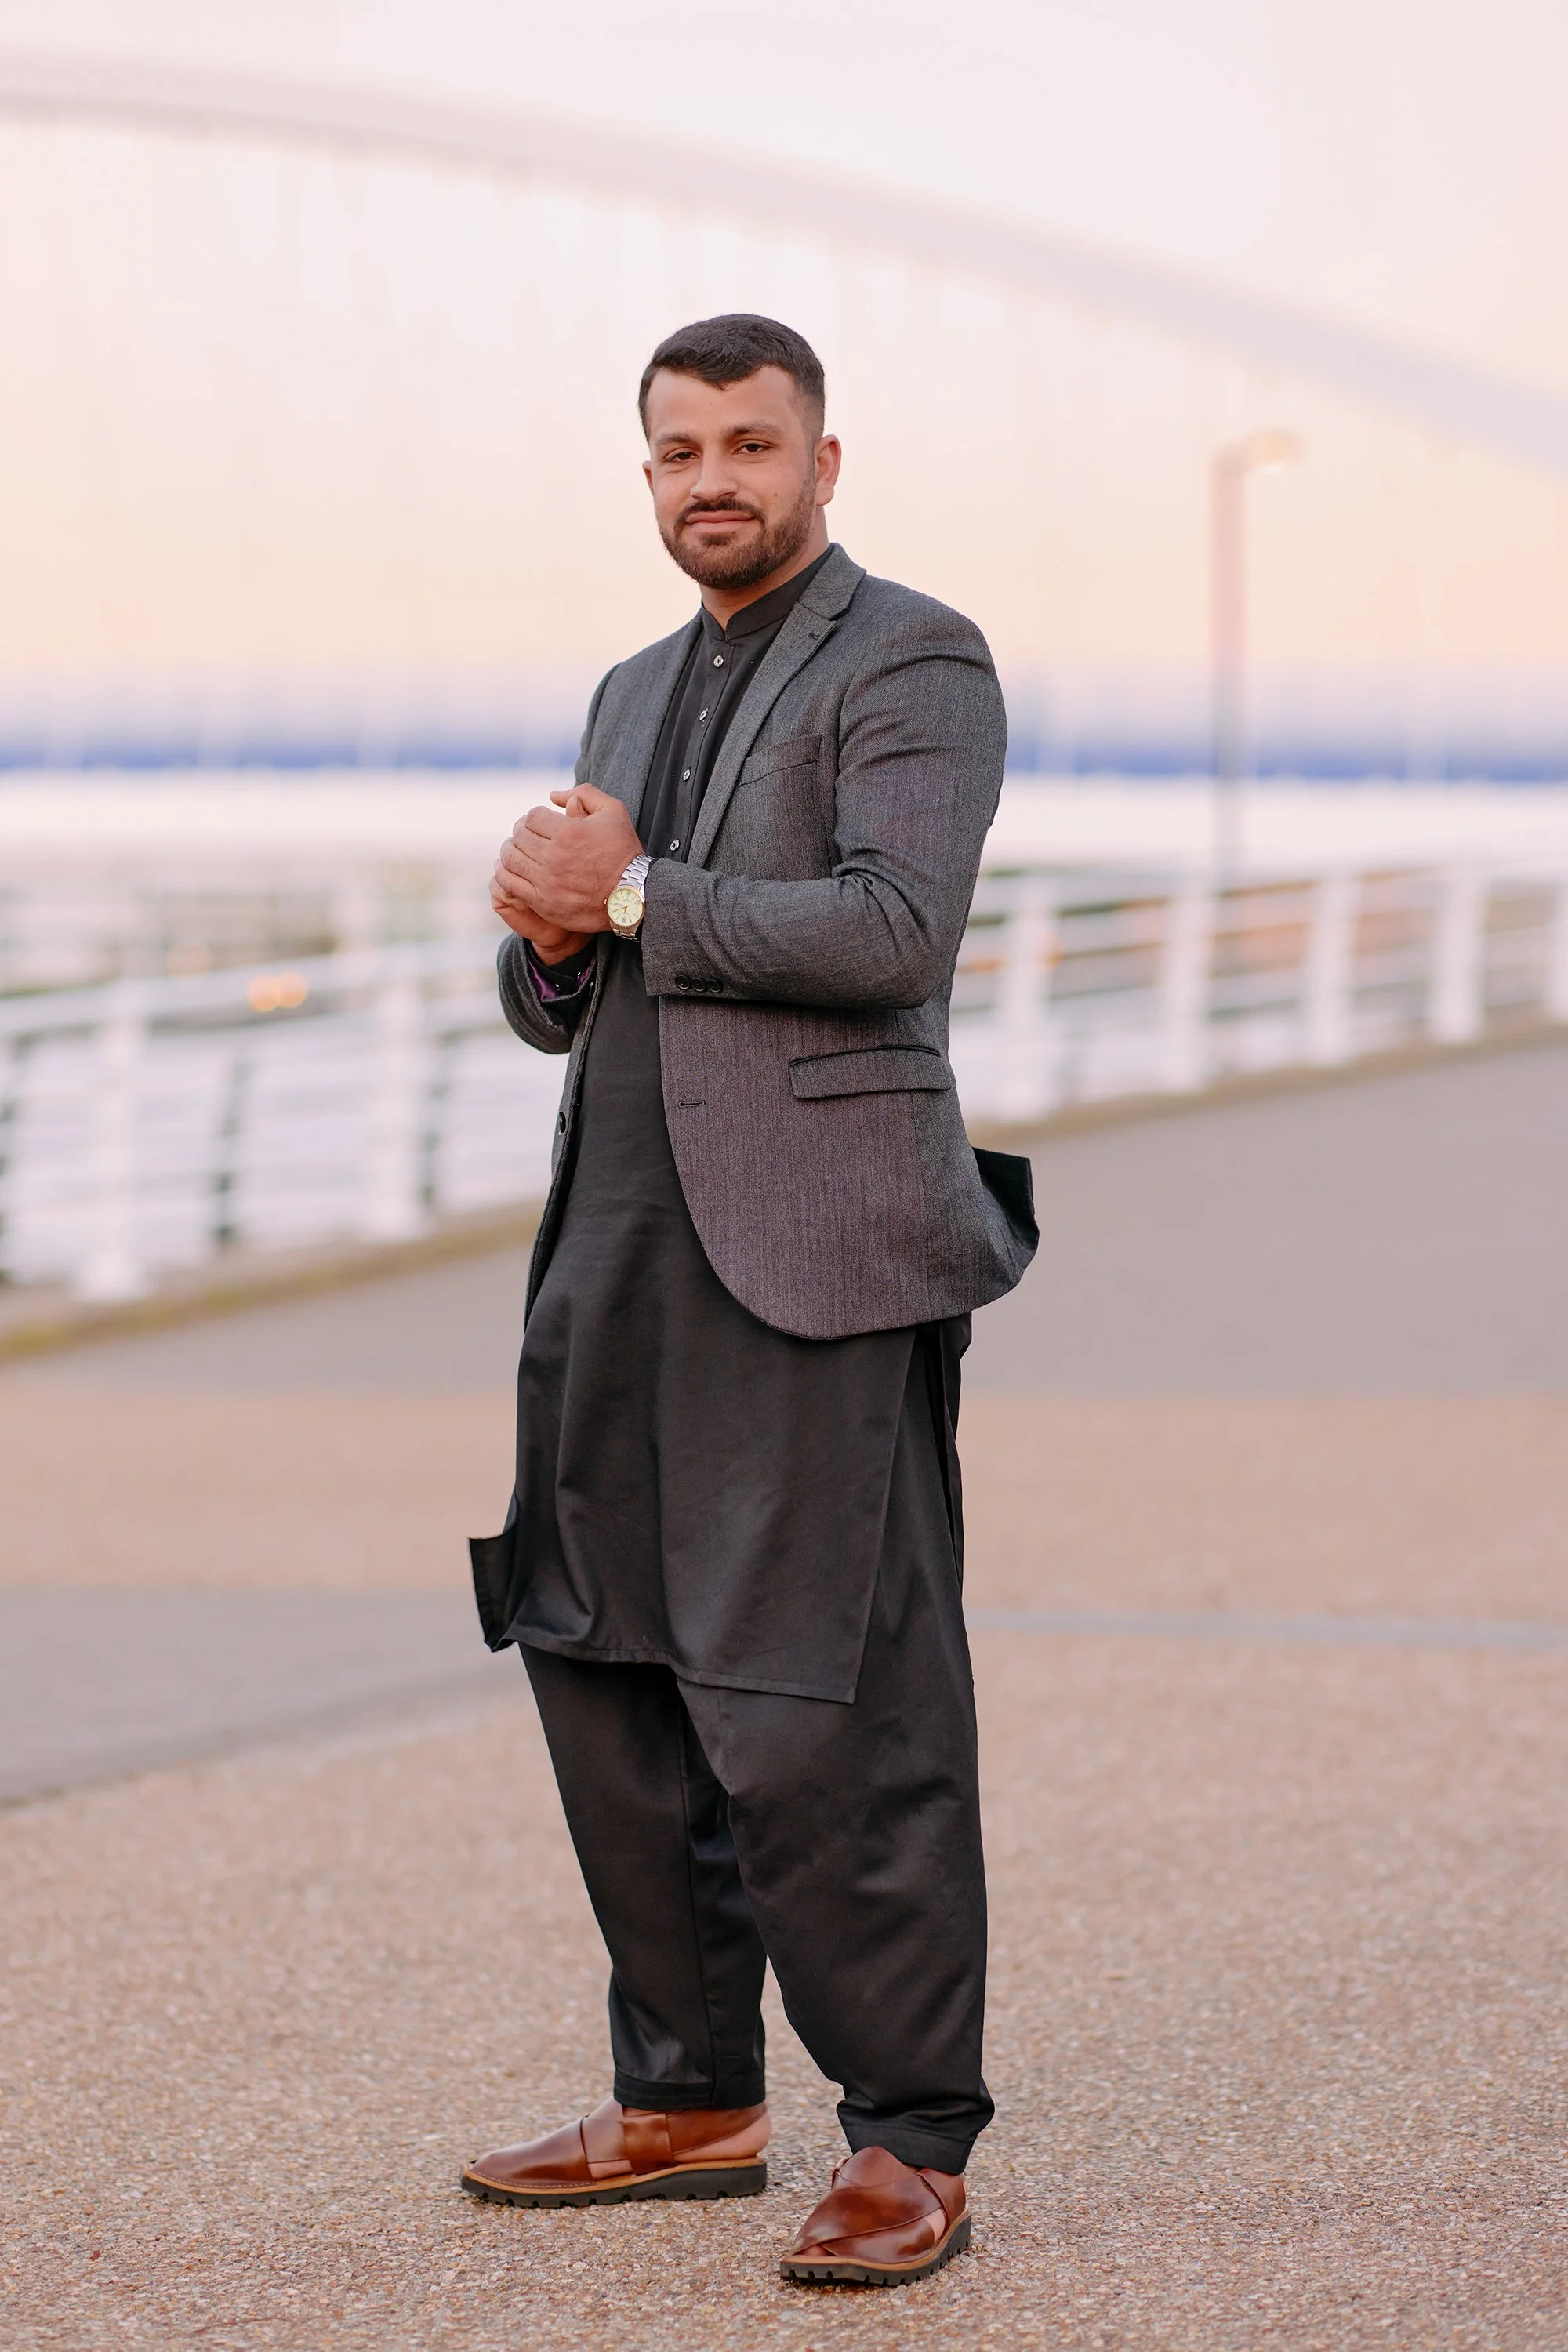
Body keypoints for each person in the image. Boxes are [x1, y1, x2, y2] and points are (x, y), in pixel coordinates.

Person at [463, 312, 1036, 2288]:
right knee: (602, 1655)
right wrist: (547, 938)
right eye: (679, 449)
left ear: (823, 461)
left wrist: (623, 896)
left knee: (827, 1702)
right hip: (612, 1244)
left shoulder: (913, 656)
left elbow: (894, 928)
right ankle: (691, 2092)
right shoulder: (631, 684)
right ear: (647, 474)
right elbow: (587, 982)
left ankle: (912, 2137)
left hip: (816, 1253)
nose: (716, 477)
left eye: (751, 443)